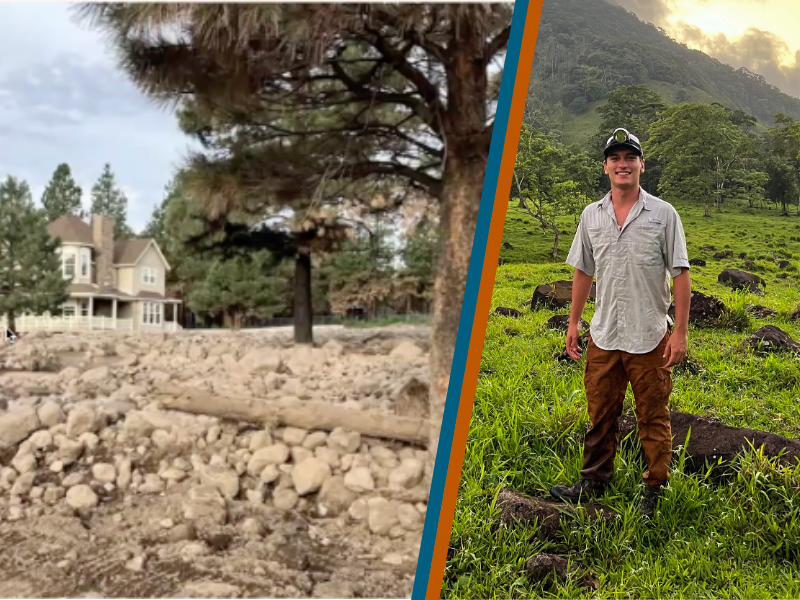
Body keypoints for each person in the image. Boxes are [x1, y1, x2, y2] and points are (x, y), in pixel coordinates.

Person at [550, 128, 691, 519]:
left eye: (630, 158)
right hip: (605, 332)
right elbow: (583, 271)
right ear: (606, 167)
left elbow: (680, 273)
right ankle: (594, 479)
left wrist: (679, 331)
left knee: (653, 414)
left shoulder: (664, 214)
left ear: (641, 165)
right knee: (601, 411)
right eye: (615, 158)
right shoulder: (591, 215)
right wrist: (574, 321)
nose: (623, 164)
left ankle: (655, 487)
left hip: (649, 334)